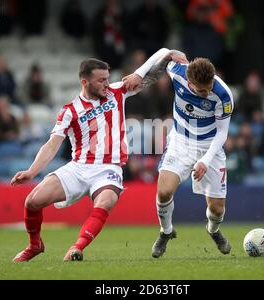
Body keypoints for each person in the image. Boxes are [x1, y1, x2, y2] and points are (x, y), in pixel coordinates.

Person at [11, 49, 186, 262]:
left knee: (106, 201)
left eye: (107, 78)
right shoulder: (70, 111)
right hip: (79, 167)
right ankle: (35, 245)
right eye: (101, 80)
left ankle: (77, 248)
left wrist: (167, 55)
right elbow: (51, 145)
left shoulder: (117, 92)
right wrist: (31, 171)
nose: (106, 84)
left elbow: (153, 73)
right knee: (32, 201)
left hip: (108, 168)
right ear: (85, 82)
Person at [124, 51, 234, 258]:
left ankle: (213, 230)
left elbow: (222, 133)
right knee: (164, 192)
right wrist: (138, 74)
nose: (206, 92)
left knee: (217, 209)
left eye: (208, 88)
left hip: (210, 147)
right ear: (189, 82)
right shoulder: (177, 71)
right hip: (180, 142)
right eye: (201, 91)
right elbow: (167, 53)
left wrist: (205, 160)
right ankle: (166, 232)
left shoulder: (223, 94)